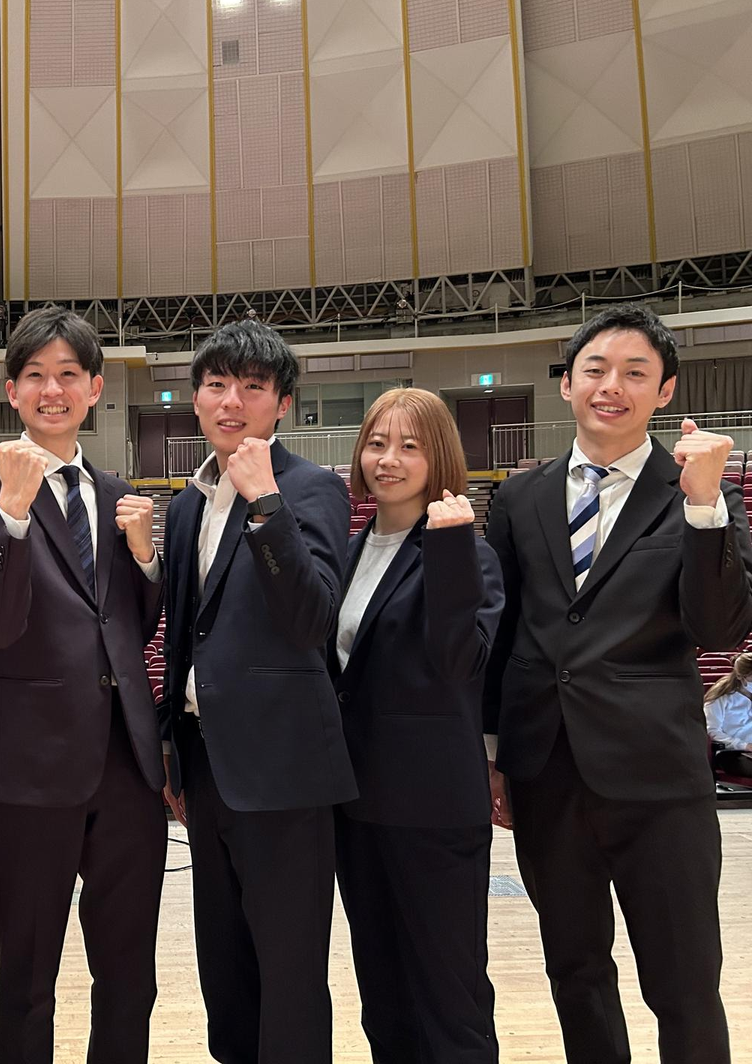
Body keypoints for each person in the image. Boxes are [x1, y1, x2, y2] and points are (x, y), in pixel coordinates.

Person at [483, 302, 752, 1064]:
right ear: (566, 383)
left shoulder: (699, 492)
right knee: (575, 974)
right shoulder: (519, 499)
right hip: (546, 772)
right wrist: (494, 751)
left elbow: (720, 628)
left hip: (659, 781)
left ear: (664, 392)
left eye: (636, 373)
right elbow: (502, 635)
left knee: (685, 984)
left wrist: (703, 502)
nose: (612, 386)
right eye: (595, 369)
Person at [0, 306, 166, 1064]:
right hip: (30, 768)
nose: (53, 390)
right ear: (12, 391)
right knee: (28, 976)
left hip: (126, 765)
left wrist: (146, 560)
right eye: (36, 376)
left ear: (95, 388)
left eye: (68, 374)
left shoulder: (118, 494)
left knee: (130, 976)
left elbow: (132, 625)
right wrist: (13, 512)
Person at [160, 319, 355, 1064]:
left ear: (283, 403)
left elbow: (311, 620)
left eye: (252, 386)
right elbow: (186, 635)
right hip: (207, 764)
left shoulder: (312, 488)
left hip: (285, 767)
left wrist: (266, 504)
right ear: (196, 398)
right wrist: (173, 748)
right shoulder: (188, 503)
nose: (231, 401)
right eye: (216, 384)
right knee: (226, 965)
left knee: (290, 967)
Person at [331, 388, 503, 1063]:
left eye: (409, 446)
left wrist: (449, 548)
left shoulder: (469, 553)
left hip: (433, 810)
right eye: (377, 444)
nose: (389, 459)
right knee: (385, 996)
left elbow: (461, 663)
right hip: (358, 805)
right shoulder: (348, 552)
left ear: (440, 458)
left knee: (451, 998)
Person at [705, 653, 752, 777]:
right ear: (740, 676)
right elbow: (712, 731)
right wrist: (745, 746)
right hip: (733, 753)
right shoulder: (720, 698)